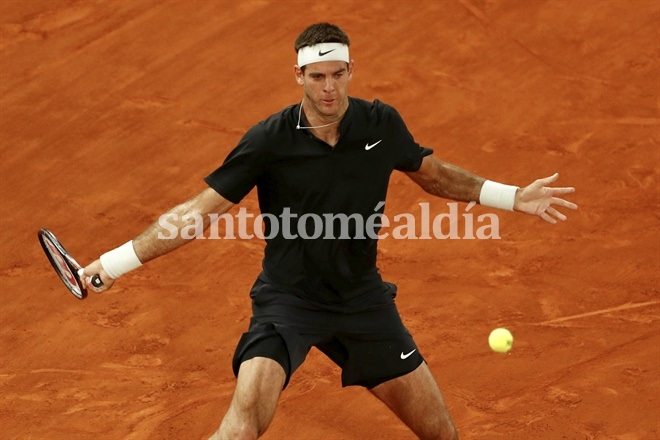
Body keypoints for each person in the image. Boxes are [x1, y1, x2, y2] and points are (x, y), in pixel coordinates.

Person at [82, 22, 577, 440]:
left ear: (350, 72)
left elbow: (433, 174)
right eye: (317, 77)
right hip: (287, 302)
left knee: (440, 431)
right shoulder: (269, 140)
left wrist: (510, 196)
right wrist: (114, 263)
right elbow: (198, 212)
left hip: (363, 302)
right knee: (244, 418)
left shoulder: (379, 124)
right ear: (297, 75)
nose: (329, 89)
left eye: (338, 75)